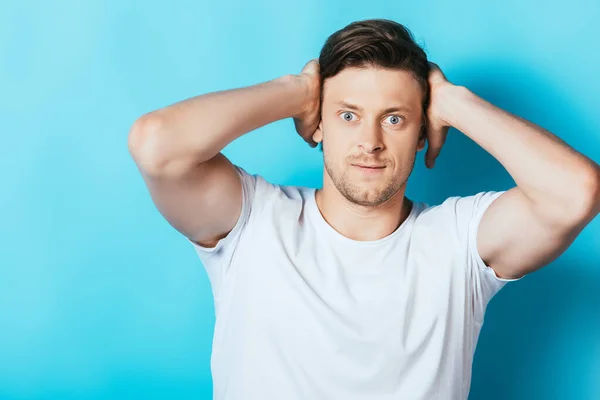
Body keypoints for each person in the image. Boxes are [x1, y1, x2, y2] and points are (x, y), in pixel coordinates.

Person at [128, 18, 600, 400]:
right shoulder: (253, 221)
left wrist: (453, 102)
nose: (370, 143)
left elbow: (575, 192)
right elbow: (156, 144)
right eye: (347, 115)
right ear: (318, 124)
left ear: (422, 135)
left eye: (394, 119)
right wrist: (297, 91)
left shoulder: (457, 241)